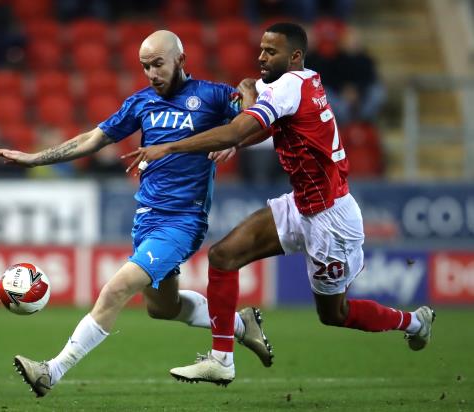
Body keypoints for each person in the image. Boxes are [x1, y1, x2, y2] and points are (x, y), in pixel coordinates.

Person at [123, 22, 435, 386]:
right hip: (302, 205)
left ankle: (414, 322)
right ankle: (222, 358)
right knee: (223, 256)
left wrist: (171, 146)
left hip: (331, 219)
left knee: (335, 314)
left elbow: (242, 126)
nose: (261, 57)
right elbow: (274, 126)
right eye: (261, 49)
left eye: (271, 51)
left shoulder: (288, 85)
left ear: (295, 56)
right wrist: (238, 136)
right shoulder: (306, 81)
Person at [0, 30, 273, 398]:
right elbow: (94, 138)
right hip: (147, 220)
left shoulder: (213, 96)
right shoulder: (141, 103)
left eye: (158, 64)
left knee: (116, 289)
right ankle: (242, 324)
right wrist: (35, 158)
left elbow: (257, 111)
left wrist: (236, 136)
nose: (152, 74)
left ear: (181, 60)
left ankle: (51, 370)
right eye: (145, 67)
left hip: (182, 221)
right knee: (163, 308)